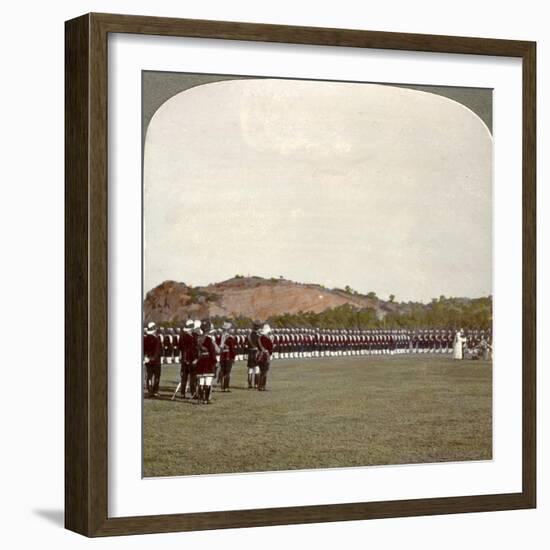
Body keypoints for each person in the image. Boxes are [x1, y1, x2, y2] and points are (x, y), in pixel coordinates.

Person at [195, 319, 218, 404]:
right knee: (208, 381)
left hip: (200, 361)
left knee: (201, 381)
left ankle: (200, 399)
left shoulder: (198, 339)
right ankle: (206, 399)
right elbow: (212, 352)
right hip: (208, 361)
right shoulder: (209, 339)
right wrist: (214, 361)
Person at [143, 321, 162, 397]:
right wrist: (153, 358)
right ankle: (155, 391)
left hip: (147, 359)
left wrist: (145, 357)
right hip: (155, 361)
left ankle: (149, 390)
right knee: (157, 376)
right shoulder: (156, 339)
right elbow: (157, 351)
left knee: (149, 376)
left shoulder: (145, 338)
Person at [178, 319, 195, 399]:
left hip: (184, 360)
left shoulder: (182, 337)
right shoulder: (191, 338)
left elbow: (180, 349)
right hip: (190, 359)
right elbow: (191, 349)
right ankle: (193, 393)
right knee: (192, 377)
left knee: (184, 377)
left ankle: (182, 393)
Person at [218, 321, 237, 392]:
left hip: (222, 355)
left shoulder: (220, 336)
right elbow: (232, 349)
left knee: (222, 371)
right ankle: (226, 387)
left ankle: (222, 387)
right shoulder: (230, 338)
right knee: (227, 372)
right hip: (228, 356)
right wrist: (233, 357)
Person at [257, 324, 274, 391]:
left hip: (259, 356)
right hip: (265, 357)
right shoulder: (268, 339)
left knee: (261, 372)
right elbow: (271, 349)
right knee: (265, 372)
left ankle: (259, 386)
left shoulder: (259, 339)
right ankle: (262, 386)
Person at [246, 321, 262, 388]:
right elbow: (260, 346)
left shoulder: (248, 336)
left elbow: (246, 345)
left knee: (250, 369)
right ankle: (256, 384)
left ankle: (249, 384)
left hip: (250, 353)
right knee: (257, 369)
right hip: (256, 353)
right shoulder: (258, 336)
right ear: (258, 328)